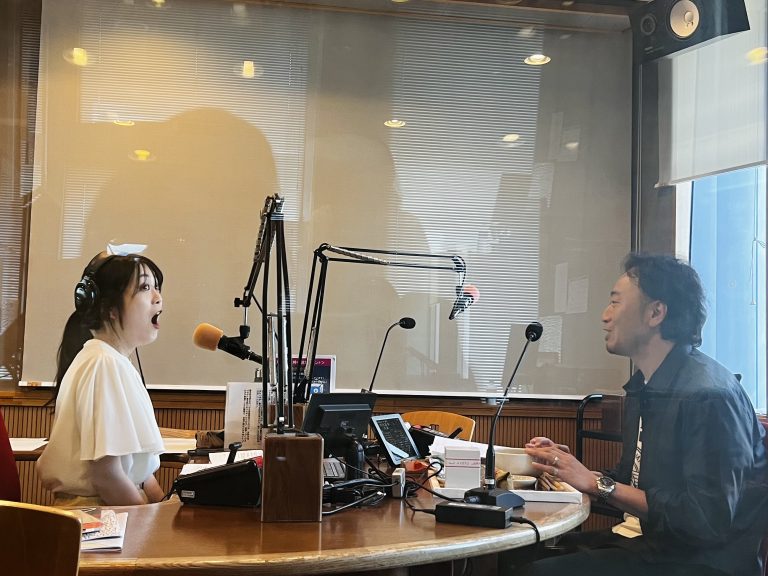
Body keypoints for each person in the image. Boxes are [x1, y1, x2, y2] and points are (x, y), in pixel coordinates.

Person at [519, 253, 768, 576]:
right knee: (523, 552)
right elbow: (632, 482)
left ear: (655, 313)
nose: (605, 316)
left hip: (702, 562)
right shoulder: (645, 386)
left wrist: (598, 484)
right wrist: (569, 469)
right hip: (655, 545)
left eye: (615, 302)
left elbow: (705, 520)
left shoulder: (708, 396)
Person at [36, 252, 166, 506]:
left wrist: (163, 506)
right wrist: (155, 523)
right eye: (144, 288)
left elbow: (138, 472)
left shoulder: (112, 360)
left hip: (113, 510)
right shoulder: (104, 363)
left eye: (157, 287)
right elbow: (107, 477)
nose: (158, 298)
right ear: (110, 310)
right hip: (97, 515)